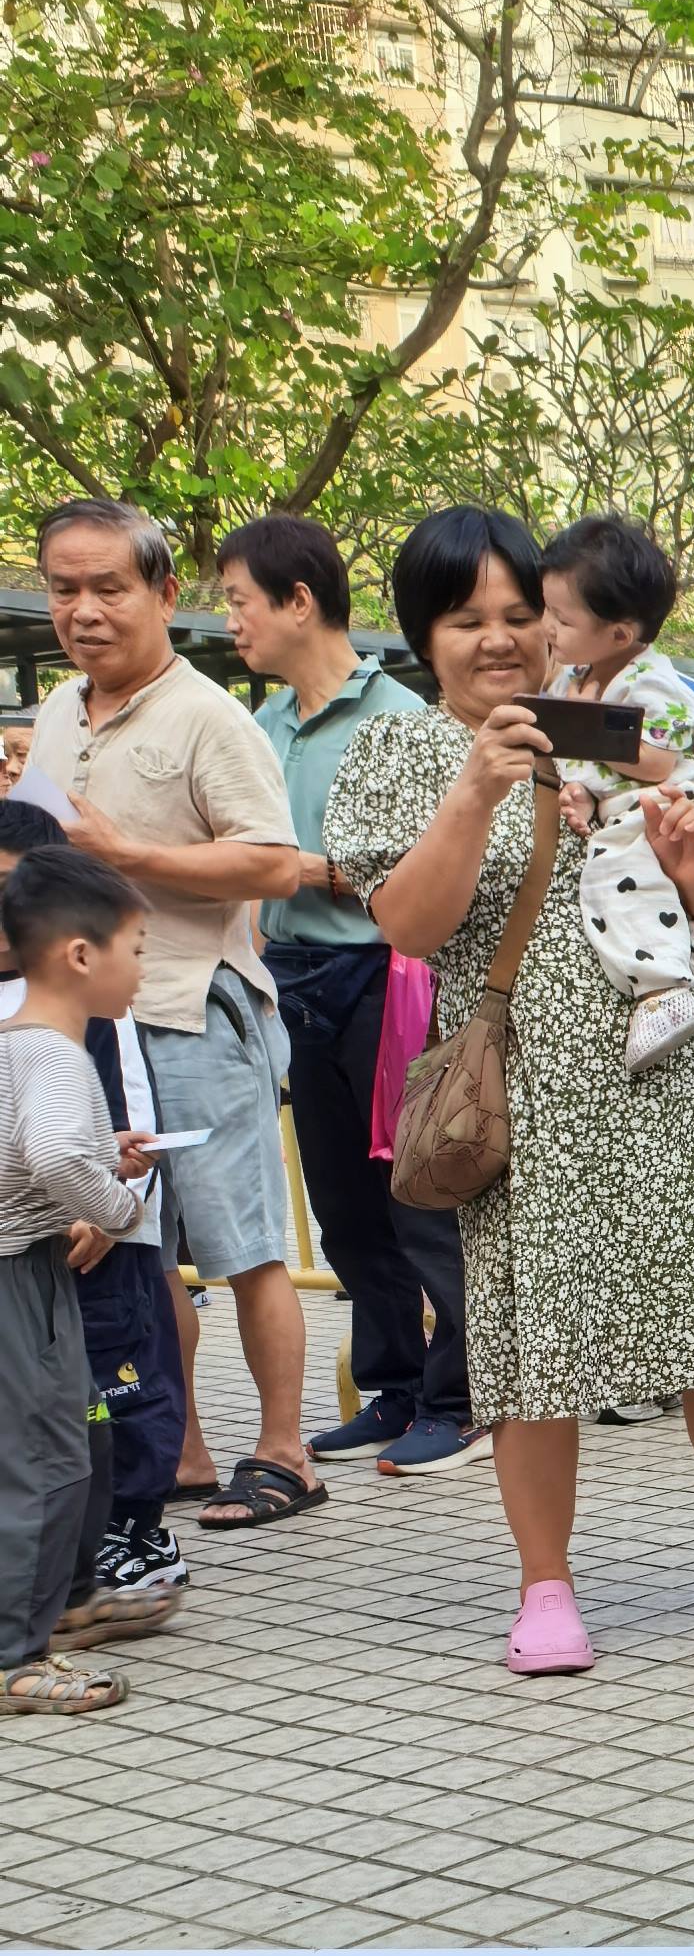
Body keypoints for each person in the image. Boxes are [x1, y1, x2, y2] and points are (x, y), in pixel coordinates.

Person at [323, 505, 694, 1676]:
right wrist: (475, 790)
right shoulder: (402, 752)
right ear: (423, 634)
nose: (501, 639)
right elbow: (408, 925)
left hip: (670, 1063)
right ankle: (545, 1586)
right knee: (533, 1341)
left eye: (521, 614)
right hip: (529, 1088)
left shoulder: (617, 727)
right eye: (467, 619)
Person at [31, 496, 324, 1531]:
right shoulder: (59, 710)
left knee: (243, 1244)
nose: (84, 610)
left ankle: (285, 1453)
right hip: (87, 1025)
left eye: (109, 587)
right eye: (65, 589)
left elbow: (275, 863)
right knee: (135, 1246)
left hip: (193, 1008)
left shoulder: (210, 714)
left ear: (163, 593)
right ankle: (182, 1447)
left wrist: (128, 855)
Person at [212, 513, 479, 1480]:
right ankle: (393, 1385)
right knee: (340, 1201)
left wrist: (311, 870)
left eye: (239, 600)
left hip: (388, 976)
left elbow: (434, 867)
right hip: (291, 977)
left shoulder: (401, 720)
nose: (229, 620)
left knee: (418, 1192)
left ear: (299, 601)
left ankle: (460, 1397)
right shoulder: (259, 726)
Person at [536, 516, 694, 1111]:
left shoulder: (650, 681)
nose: (546, 627)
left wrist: (582, 739)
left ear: (619, 633)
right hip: (656, 817)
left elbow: (653, 761)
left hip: (684, 811)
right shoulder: (581, 674)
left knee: (613, 873)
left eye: (560, 619)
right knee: (692, 935)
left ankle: (661, 990)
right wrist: (583, 788)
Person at [0, 844, 156, 1715]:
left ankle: (49, 1613)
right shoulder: (58, 1055)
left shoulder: (17, 1043)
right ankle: (12, 1658)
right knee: (48, 1460)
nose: (142, 967)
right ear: (82, 955)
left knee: (66, 1442)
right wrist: (119, 1205)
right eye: (137, 946)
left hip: (24, 1271)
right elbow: (54, 1156)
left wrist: (103, 1155)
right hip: (18, 1282)